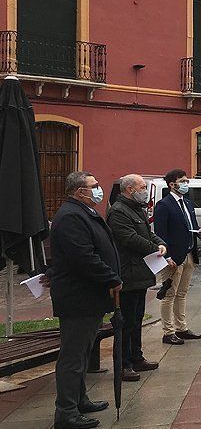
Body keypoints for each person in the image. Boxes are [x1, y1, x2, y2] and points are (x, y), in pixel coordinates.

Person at [48, 171, 120, 429]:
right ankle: (66, 412)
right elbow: (83, 257)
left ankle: (79, 400)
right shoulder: (71, 216)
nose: (99, 190)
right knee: (73, 356)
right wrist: (111, 278)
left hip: (88, 297)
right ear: (80, 191)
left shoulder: (82, 212)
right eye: (95, 186)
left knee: (82, 352)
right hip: (78, 298)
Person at [106, 174, 173, 382]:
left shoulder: (137, 209)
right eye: (143, 187)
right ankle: (124, 364)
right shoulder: (118, 212)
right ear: (130, 190)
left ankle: (137, 357)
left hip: (141, 272)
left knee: (136, 319)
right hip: (127, 272)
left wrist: (160, 243)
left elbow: (148, 233)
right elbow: (129, 238)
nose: (145, 190)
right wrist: (154, 248)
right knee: (126, 321)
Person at [153, 169, 201, 345]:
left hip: (189, 253)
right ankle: (168, 332)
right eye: (182, 181)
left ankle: (181, 328)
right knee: (169, 294)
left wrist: (199, 232)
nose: (185, 184)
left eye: (186, 181)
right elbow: (160, 233)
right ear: (172, 185)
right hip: (173, 257)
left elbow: (192, 225)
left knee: (182, 293)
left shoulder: (188, 203)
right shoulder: (164, 205)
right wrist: (166, 256)